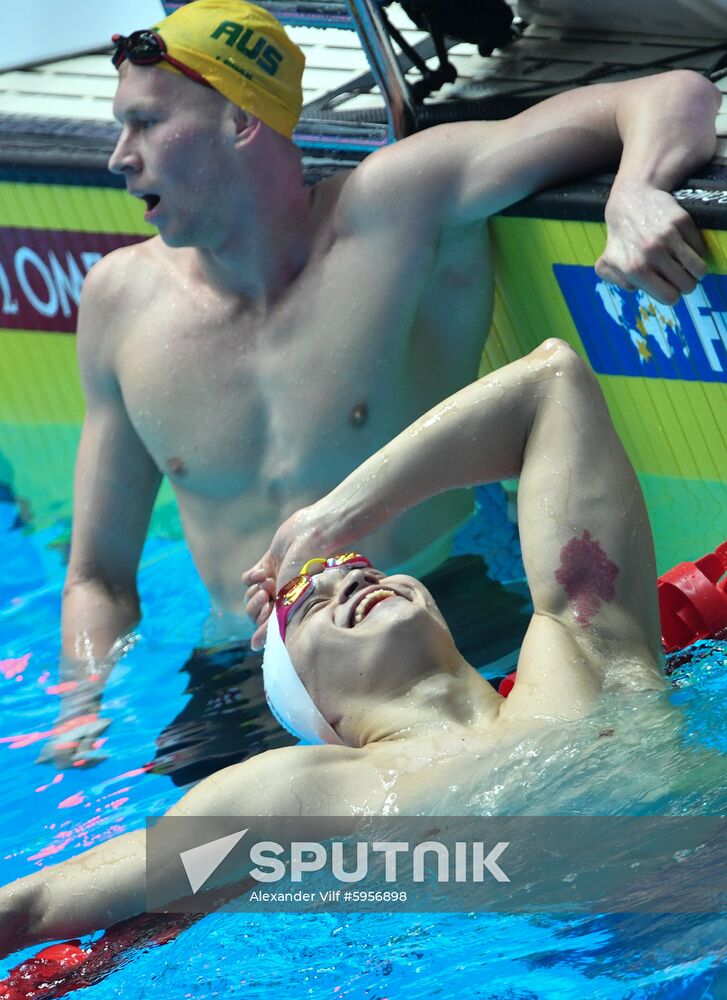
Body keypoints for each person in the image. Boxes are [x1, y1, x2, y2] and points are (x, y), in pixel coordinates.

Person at [45, 0, 721, 773]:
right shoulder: (119, 302)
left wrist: (632, 190)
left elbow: (674, 93)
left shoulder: (397, 207)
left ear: (239, 121)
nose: (118, 157)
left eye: (144, 123)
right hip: (247, 673)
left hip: (443, 627)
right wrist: (79, 707)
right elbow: (97, 574)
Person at [1, 337, 675, 957]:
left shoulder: (583, 658)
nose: (344, 573)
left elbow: (550, 382)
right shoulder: (307, 792)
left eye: (360, 564)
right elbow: (37, 908)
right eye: (308, 602)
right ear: (314, 707)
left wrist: (337, 515)